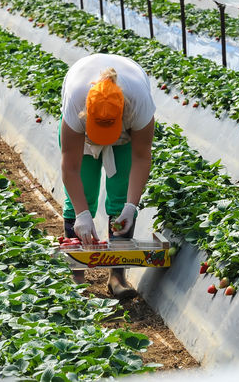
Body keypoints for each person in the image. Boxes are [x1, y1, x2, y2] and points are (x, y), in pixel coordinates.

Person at [60, 53, 156, 300]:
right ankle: (76, 273)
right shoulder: (76, 102)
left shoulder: (138, 103)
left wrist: (131, 205)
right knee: (85, 186)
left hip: (125, 137)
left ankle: (117, 277)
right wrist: (82, 214)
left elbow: (142, 157)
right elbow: (70, 167)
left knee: (121, 193)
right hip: (83, 134)